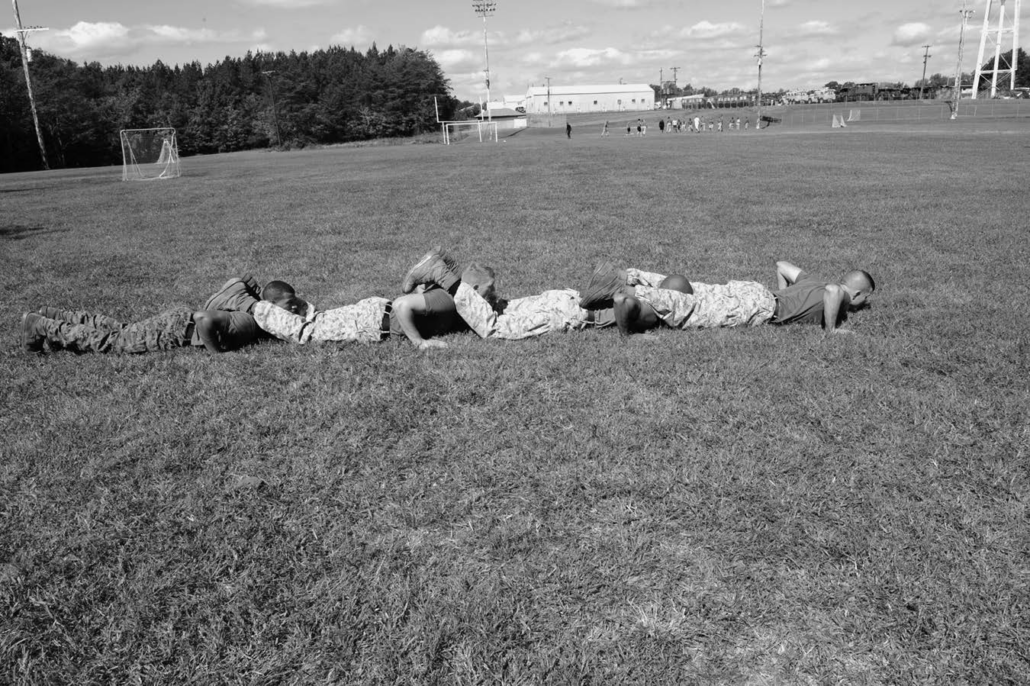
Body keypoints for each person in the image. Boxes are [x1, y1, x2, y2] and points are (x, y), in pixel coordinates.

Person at [402, 252, 692, 341]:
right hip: (569, 312)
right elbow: (621, 304)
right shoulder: (651, 307)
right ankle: (442, 274)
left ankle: (440, 278)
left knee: (504, 308)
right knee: (496, 327)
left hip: (561, 299)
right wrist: (631, 336)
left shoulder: (643, 289)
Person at [22, 275, 310, 354]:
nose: (294, 310)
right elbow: (205, 320)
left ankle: (53, 314)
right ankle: (41, 325)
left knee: (121, 329)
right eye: (290, 305)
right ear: (271, 303)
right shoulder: (251, 319)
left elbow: (240, 280)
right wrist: (217, 353)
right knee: (113, 342)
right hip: (180, 328)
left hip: (178, 319)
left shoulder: (250, 305)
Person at [579, 261, 875, 336]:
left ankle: (627, 276)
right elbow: (834, 292)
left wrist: (780, 293)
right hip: (763, 305)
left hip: (756, 292)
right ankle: (624, 291)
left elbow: (782, 265)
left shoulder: (813, 280)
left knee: (695, 290)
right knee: (693, 308)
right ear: (858, 293)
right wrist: (831, 329)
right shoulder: (841, 294)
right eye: (865, 299)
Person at [250, 249, 467, 350]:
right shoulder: (448, 304)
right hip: (379, 318)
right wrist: (420, 343)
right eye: (288, 305)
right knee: (311, 334)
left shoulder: (308, 317)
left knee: (454, 302)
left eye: (294, 301)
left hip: (377, 316)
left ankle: (435, 272)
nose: (294, 307)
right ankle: (435, 272)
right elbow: (401, 305)